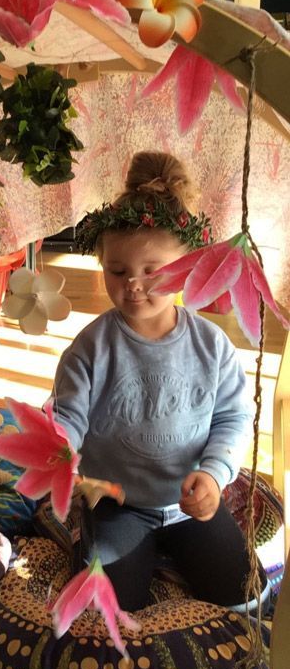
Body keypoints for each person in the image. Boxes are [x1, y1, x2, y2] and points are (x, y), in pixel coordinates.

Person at [53, 150, 269, 613]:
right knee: (107, 608)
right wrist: (54, 449)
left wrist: (214, 474)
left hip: (191, 503)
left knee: (247, 595)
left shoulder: (212, 346)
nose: (133, 284)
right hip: (117, 504)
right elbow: (66, 416)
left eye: (152, 271)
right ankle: (88, 535)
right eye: (117, 271)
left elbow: (233, 418)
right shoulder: (90, 347)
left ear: (187, 267)